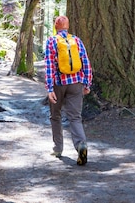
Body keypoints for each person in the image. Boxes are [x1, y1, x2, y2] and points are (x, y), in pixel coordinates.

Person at [44, 15, 93, 165]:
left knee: (55, 116)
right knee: (75, 117)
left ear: (55, 27)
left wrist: (50, 88)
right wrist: (87, 83)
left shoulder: (52, 41)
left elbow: (49, 66)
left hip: (59, 84)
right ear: (67, 26)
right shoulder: (76, 41)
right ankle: (81, 146)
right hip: (76, 83)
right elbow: (85, 62)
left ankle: (58, 148)